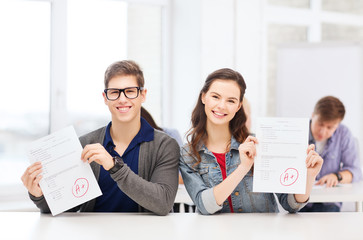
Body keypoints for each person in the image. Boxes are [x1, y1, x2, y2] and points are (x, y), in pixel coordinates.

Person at [21, 60, 180, 215]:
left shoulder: (165, 145)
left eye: (130, 91)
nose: (122, 99)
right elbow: (67, 207)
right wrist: (39, 195)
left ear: (143, 95)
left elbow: (163, 203)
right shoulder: (85, 144)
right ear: (105, 97)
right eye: (114, 92)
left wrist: (113, 166)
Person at [179, 68, 323, 214]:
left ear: (239, 106)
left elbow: (290, 204)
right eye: (215, 97)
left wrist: (309, 176)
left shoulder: (259, 143)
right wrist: (243, 168)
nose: (221, 105)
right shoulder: (188, 154)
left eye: (231, 101)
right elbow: (205, 206)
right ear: (203, 97)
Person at [300, 96, 362, 212]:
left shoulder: (344, 134)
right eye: (320, 124)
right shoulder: (298, 131)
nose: (323, 132)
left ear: (337, 125)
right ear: (313, 115)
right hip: (301, 201)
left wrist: (337, 176)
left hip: (330, 201)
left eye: (330, 127)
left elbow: (356, 171)